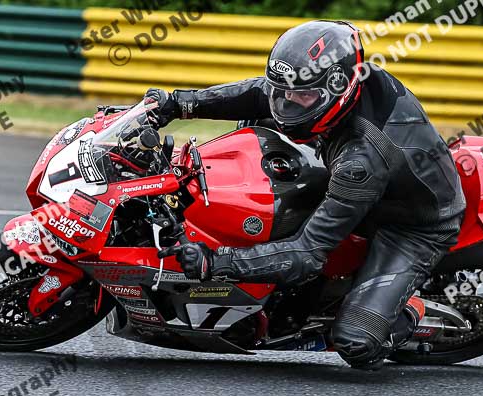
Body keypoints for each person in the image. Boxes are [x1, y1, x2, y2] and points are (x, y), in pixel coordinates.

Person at [147, 20, 466, 370]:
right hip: (352, 173)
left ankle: (409, 311)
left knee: (356, 343)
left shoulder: (361, 161)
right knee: (253, 131)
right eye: (284, 92)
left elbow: (307, 255)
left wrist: (215, 262)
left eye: (303, 97)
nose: (287, 104)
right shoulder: (332, 83)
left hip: (409, 227)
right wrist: (177, 103)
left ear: (337, 88)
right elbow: (260, 94)